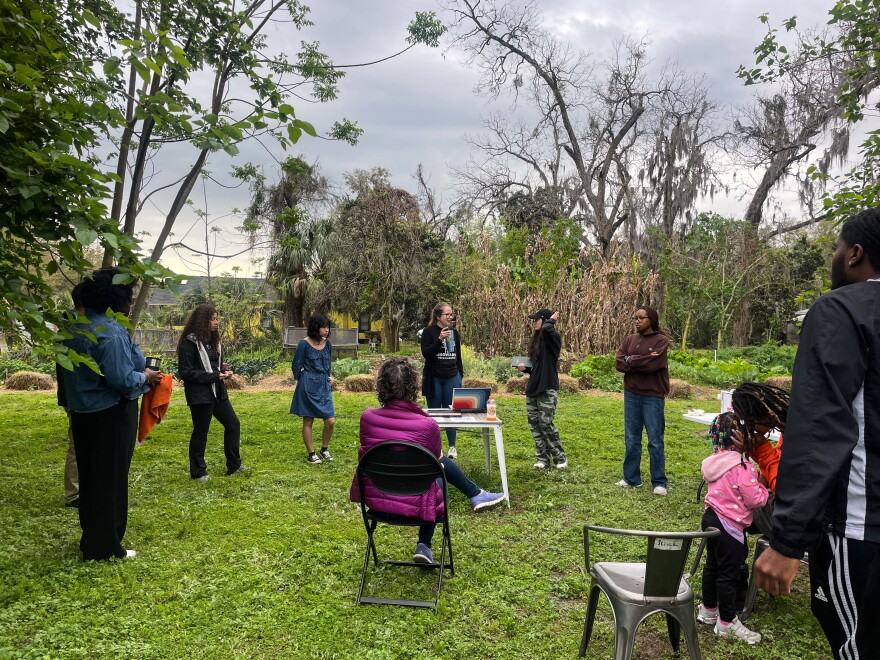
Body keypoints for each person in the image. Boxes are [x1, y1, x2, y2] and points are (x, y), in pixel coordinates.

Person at [754, 209, 880, 658]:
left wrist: (787, 540)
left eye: (837, 247)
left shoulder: (841, 309)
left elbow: (819, 428)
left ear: (855, 253)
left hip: (861, 526)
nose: (835, 256)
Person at [350, 358, 505, 563]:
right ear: (414, 386)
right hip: (418, 506)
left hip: (378, 502)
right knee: (437, 471)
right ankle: (425, 543)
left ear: (381, 386)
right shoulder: (427, 425)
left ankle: (476, 494)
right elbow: (439, 460)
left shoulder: (367, 418)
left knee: (431, 467)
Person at [63, 268, 163, 560]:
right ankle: (107, 547)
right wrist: (146, 376)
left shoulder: (75, 327)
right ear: (114, 298)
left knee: (91, 477)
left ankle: (92, 539)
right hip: (111, 414)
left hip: (82, 413)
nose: (130, 303)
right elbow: (121, 380)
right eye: (128, 297)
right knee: (112, 479)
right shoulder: (111, 331)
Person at [697, 413, 769, 644]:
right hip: (730, 526)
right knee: (728, 574)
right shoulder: (742, 466)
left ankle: (708, 609)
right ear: (742, 437)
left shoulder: (714, 462)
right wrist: (763, 486)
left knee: (712, 566)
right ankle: (727, 622)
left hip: (711, 518)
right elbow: (755, 500)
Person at [178, 304, 245, 482]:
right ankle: (198, 472)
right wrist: (214, 376)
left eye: (217, 319)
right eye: (212, 319)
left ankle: (234, 465)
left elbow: (215, 366)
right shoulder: (189, 343)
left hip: (217, 391)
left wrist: (224, 372)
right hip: (200, 394)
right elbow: (185, 372)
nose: (216, 322)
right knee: (201, 432)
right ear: (202, 321)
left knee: (233, 424)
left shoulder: (213, 341)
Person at [614, 306, 670, 495]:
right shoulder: (630, 339)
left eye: (641, 318)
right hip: (631, 394)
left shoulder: (661, 340)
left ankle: (659, 482)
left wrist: (631, 360)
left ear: (651, 319)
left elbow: (652, 365)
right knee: (631, 438)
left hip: (653, 395)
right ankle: (631, 478)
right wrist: (638, 360)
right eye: (635, 318)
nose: (637, 321)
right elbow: (619, 363)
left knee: (655, 440)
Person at [516, 309, 566, 469]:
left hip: (547, 386)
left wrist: (552, 319)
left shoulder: (553, 338)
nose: (534, 323)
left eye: (536, 319)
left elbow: (547, 329)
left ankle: (560, 458)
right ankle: (542, 459)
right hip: (534, 387)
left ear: (545, 320)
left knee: (546, 423)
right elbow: (536, 367)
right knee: (535, 424)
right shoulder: (536, 341)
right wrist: (526, 368)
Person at [290, 314, 335, 464]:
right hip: (308, 385)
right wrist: (303, 380)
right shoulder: (304, 344)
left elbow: (328, 364)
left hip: (324, 385)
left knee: (330, 421)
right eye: (323, 327)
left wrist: (328, 377)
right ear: (316, 328)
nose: (326, 330)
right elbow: (296, 365)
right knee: (308, 420)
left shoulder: (328, 344)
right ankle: (311, 453)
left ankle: (324, 449)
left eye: (328, 327)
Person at [421, 303, 464, 458]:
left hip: (452, 376)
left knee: (452, 412)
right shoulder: (428, 332)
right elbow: (427, 354)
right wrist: (439, 339)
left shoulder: (454, 332)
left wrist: (460, 374)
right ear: (438, 316)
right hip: (434, 378)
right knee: (434, 414)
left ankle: (452, 447)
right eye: (447, 314)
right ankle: (435, 448)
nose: (450, 317)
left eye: (451, 314)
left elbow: (458, 356)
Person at [58, 282, 84, 509]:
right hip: (75, 396)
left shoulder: (69, 326)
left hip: (73, 395)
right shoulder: (74, 328)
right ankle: (73, 494)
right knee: (77, 444)